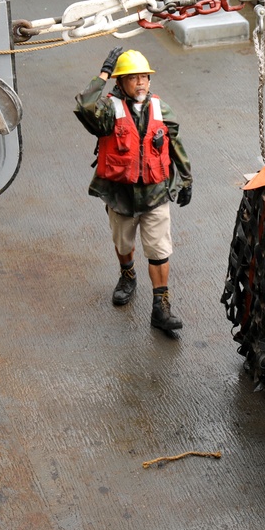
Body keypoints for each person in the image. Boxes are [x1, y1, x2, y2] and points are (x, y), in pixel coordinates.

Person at [74, 47, 193, 333]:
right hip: (121, 196)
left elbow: (173, 144)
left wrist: (186, 179)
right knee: (124, 245)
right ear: (120, 82)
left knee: (159, 250)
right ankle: (127, 275)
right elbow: (83, 106)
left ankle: (161, 307)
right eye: (132, 78)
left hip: (155, 194)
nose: (140, 83)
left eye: (145, 77)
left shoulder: (160, 109)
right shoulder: (107, 110)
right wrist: (103, 73)